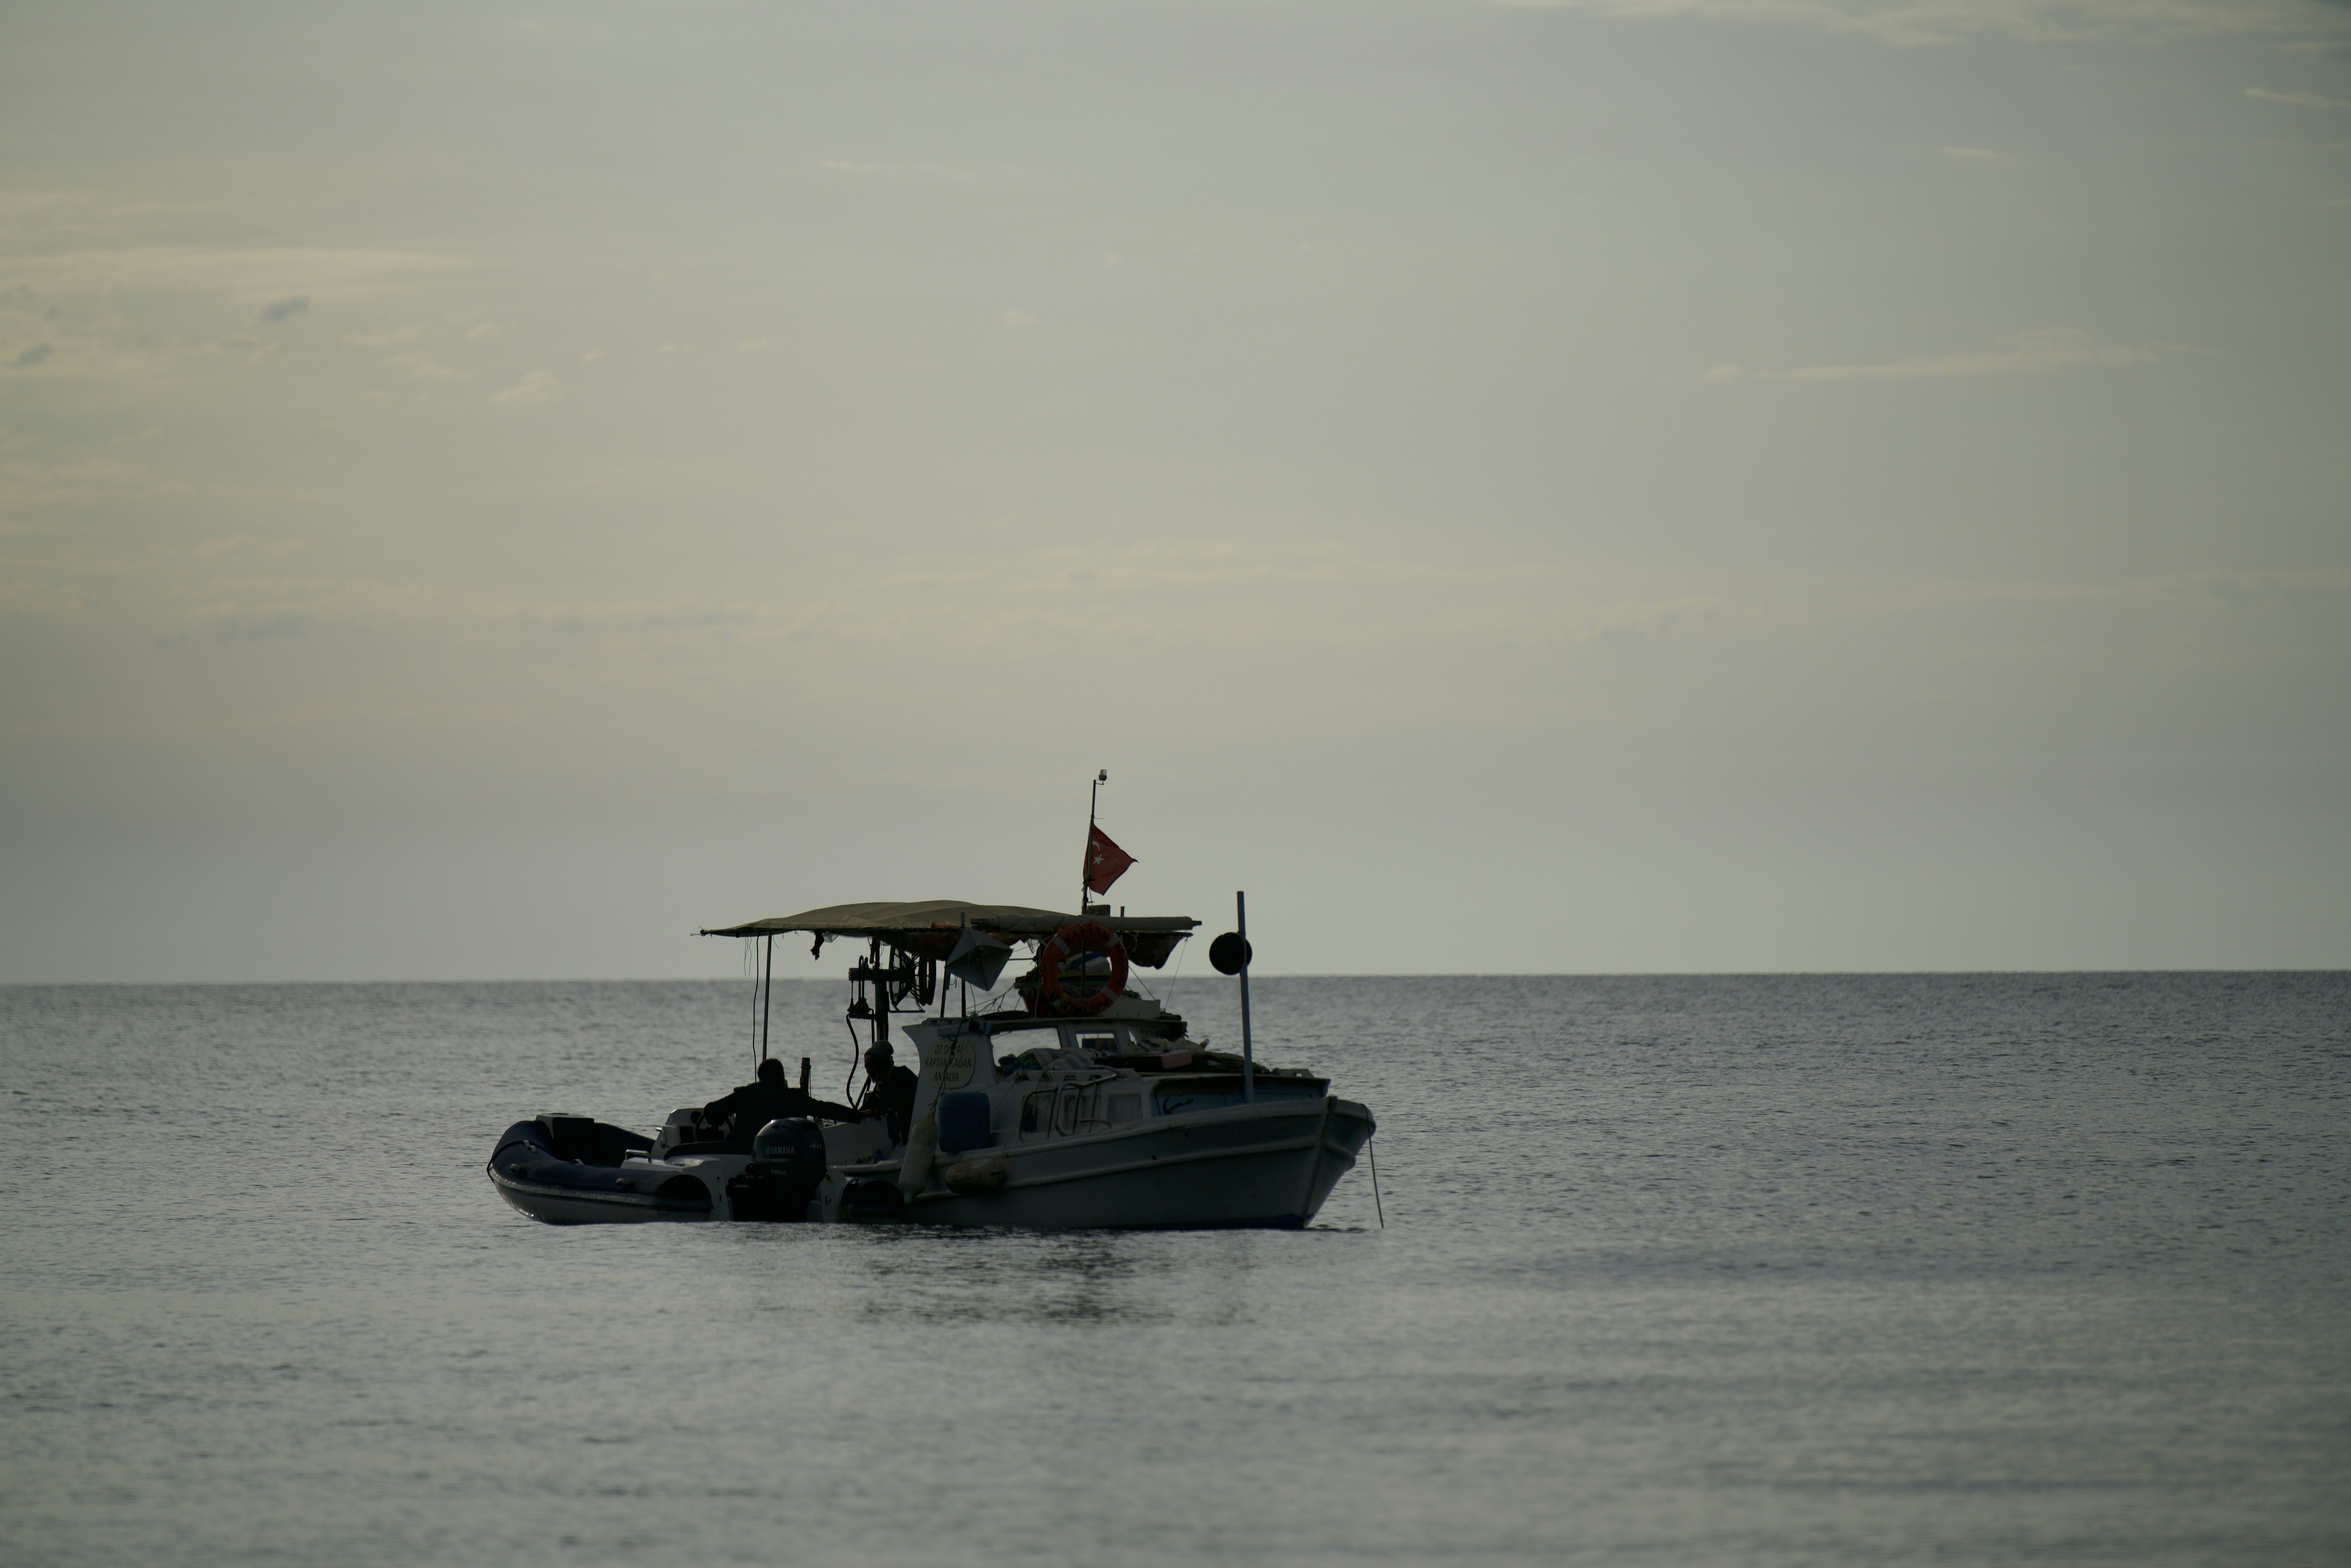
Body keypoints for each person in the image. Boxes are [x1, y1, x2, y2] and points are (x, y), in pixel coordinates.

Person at [698, 1057, 862, 1145]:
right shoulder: (794, 1098)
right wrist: (859, 1116)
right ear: (780, 1077)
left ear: (760, 1077)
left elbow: (711, 1109)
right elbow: (825, 1109)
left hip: (741, 1152)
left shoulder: (744, 1095)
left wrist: (716, 1119)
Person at [856, 1042, 921, 1145]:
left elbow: (894, 1107)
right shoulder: (881, 1085)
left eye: (872, 1066)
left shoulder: (903, 1077)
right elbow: (867, 1109)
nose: (868, 1071)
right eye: (866, 1067)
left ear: (885, 1064)